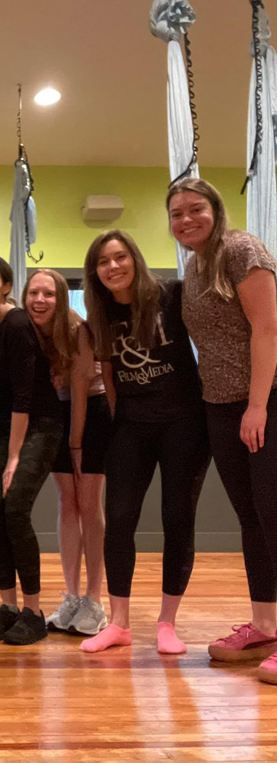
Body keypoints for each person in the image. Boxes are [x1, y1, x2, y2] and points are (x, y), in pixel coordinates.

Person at [80, 230, 210, 654]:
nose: (113, 267)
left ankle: (167, 623)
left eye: (119, 257)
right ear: (95, 272)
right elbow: (111, 375)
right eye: (103, 262)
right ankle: (118, 624)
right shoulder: (99, 313)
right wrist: (121, 418)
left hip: (183, 426)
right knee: (118, 519)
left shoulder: (171, 295)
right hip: (132, 428)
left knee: (177, 517)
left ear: (134, 258)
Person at [168, 178, 277, 683]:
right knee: (251, 518)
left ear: (215, 209)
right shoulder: (193, 268)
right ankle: (265, 625)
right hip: (219, 406)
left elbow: (267, 328)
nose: (186, 219)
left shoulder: (241, 249)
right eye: (176, 213)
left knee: (274, 514)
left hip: (264, 400)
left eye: (195, 209)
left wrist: (258, 405)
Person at [0, 255, 62, 646]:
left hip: (38, 424)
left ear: (6, 286)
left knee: (15, 508)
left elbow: (24, 396)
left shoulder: (18, 323)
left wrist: (12, 457)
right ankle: (7, 607)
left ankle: (33, 611)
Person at [23, 269, 112, 636]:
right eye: (34, 293)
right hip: (58, 414)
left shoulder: (79, 330)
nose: (40, 300)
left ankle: (94, 600)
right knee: (67, 504)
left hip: (91, 412)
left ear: (61, 298)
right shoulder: (28, 330)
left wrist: (76, 444)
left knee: (89, 504)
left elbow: (78, 390)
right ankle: (72, 596)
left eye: (48, 294)